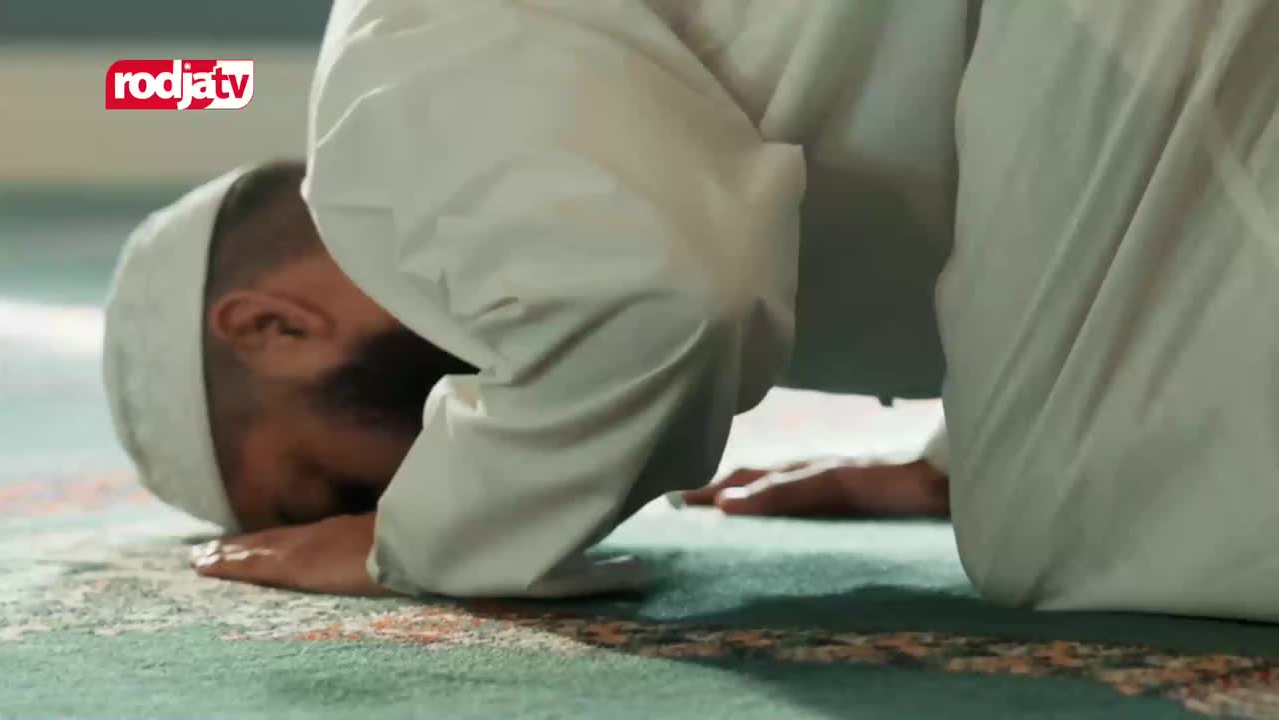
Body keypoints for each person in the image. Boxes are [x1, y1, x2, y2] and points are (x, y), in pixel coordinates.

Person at [104, 0, 1279, 621]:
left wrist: (425, 540)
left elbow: (658, 286)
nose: (370, 507)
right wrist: (956, 453)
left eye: (332, 492)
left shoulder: (381, 130)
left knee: (1071, 521)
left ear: (272, 327)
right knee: (1034, 484)